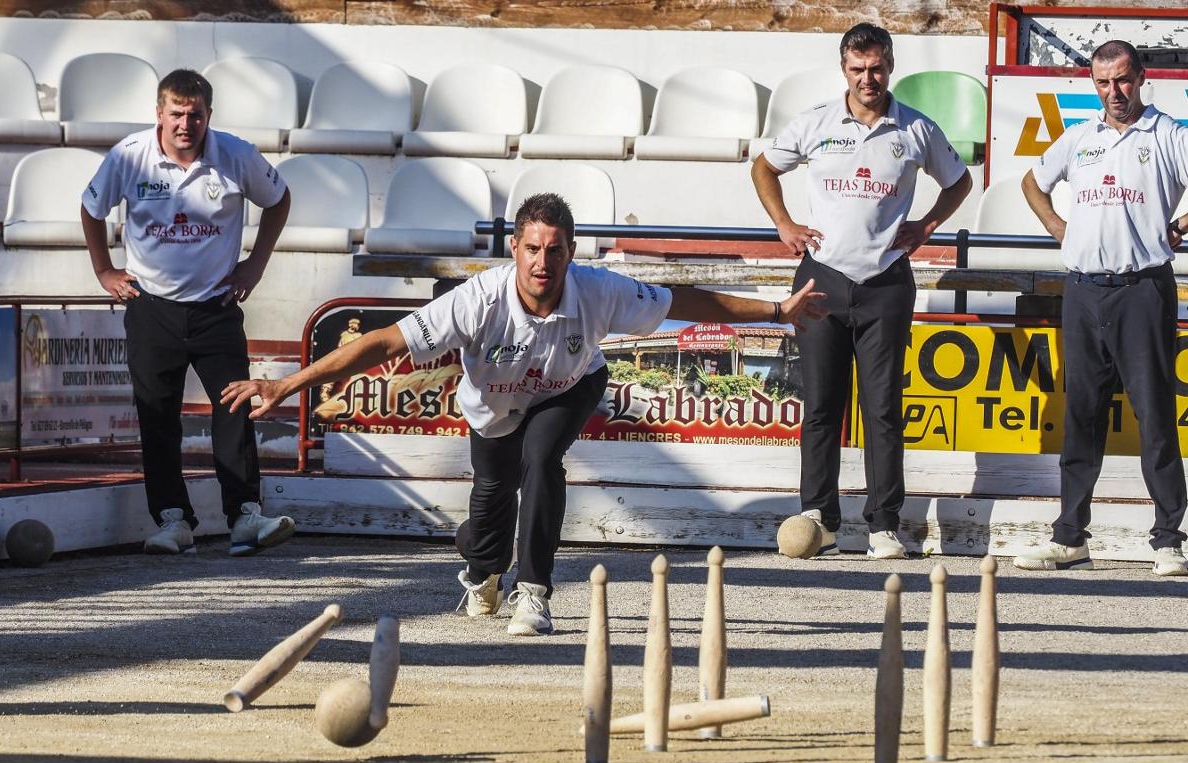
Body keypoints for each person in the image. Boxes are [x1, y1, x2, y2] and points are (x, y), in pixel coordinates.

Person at [222, 193, 826, 636]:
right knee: (485, 529)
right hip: (492, 413)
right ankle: (483, 566)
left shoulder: (598, 289)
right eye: (533, 249)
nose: (543, 262)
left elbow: (684, 300)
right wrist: (289, 385)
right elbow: (382, 345)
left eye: (555, 251)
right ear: (515, 250)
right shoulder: (478, 300)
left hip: (570, 389)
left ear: (570, 253)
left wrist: (775, 309)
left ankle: (533, 591)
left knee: (544, 460)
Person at [750, 22, 972, 559]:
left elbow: (959, 181)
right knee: (822, 405)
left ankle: (883, 524)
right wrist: (784, 224)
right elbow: (763, 168)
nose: (867, 78)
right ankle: (818, 517)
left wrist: (927, 226)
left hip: (885, 281)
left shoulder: (916, 129)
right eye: (857, 69)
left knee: (883, 409)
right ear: (843, 70)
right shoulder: (816, 122)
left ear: (890, 66)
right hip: (820, 280)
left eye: (876, 68)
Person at [80, 68, 297, 557]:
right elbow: (91, 208)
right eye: (176, 114)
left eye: (194, 114)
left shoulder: (235, 154)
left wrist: (254, 267)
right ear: (159, 113)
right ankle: (173, 521)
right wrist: (104, 271)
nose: (185, 123)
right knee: (156, 414)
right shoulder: (129, 156)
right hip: (150, 306)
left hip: (216, 307)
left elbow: (279, 201)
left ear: (208, 116)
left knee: (234, 408)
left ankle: (245, 516)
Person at [1015, 41, 1188, 577]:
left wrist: (1182, 225)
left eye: (1123, 81)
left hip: (1142, 289)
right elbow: (1032, 182)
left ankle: (1168, 539)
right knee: (1082, 417)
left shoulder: (1169, 134)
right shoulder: (1079, 138)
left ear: (1142, 78)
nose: (1114, 93)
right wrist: (1056, 226)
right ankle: (1070, 537)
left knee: (1154, 415)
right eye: (1103, 83)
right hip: (1084, 291)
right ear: (1093, 84)